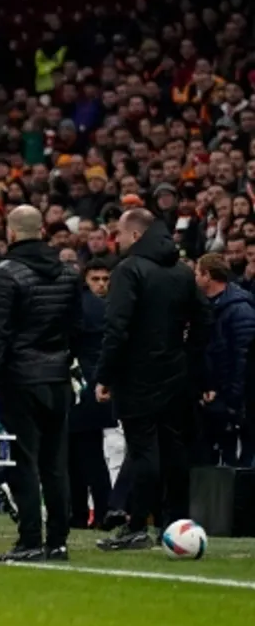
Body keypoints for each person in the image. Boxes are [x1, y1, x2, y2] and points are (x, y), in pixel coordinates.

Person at [95, 209, 213, 551]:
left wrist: (105, 375)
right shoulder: (182, 272)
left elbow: (117, 328)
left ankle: (136, 526)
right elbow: (204, 317)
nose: (116, 240)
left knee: (142, 450)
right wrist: (187, 357)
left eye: (119, 233)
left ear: (135, 235)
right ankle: (175, 523)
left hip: (137, 376)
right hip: (175, 374)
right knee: (174, 450)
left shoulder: (129, 270)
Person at [0, 206, 81, 563]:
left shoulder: (6, 273)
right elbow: (76, 327)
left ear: (11, 232)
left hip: (20, 378)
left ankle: (30, 540)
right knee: (55, 463)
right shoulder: (68, 273)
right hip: (57, 376)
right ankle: (59, 541)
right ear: (42, 231)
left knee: (24, 461)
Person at [194, 254, 255, 466]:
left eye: (197, 273)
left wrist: (233, 400)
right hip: (214, 395)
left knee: (238, 460)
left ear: (207, 275)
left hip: (235, 399)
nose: (194, 278)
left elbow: (244, 358)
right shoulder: (206, 306)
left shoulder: (240, 309)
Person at [69, 258, 116, 529]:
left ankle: (81, 513)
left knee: (78, 455)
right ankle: (100, 511)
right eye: (95, 279)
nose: (101, 285)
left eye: (105, 279)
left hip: (77, 387)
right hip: (96, 386)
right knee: (90, 454)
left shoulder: (79, 307)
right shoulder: (108, 309)